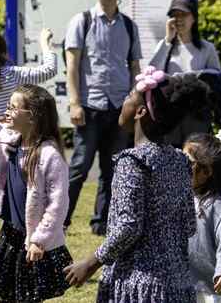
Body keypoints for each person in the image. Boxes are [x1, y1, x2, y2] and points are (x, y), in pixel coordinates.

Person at [64, 67, 211, 302]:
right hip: (177, 284)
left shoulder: (132, 162)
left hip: (137, 286)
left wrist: (90, 263)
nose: (123, 103)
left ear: (140, 111)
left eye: (128, 97)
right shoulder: (180, 160)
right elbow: (189, 224)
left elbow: (128, 226)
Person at [0, 28, 57, 280]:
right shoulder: (13, 75)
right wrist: (45, 44)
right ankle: (33, 252)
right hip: (23, 147)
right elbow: (49, 70)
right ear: (4, 51)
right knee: (32, 201)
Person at [64, 0, 142, 235]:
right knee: (79, 167)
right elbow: (72, 66)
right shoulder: (81, 21)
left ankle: (102, 223)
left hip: (119, 107)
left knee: (113, 170)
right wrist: (74, 103)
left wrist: (136, 101)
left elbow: (134, 67)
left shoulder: (130, 26)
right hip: (90, 107)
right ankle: (61, 220)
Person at [0, 84, 72, 303]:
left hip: (33, 240)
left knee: (28, 298)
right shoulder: (9, 142)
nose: (7, 112)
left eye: (13, 108)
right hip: (12, 234)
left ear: (32, 116)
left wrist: (39, 240)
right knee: (8, 296)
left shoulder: (49, 155)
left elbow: (57, 205)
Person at [183, 132, 221, 303]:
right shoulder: (178, 196)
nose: (180, 165)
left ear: (206, 171)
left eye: (187, 162)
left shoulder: (216, 206)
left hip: (207, 288)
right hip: (179, 282)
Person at [149, 0, 221, 73]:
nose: (179, 19)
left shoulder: (207, 48)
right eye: (174, 15)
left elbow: (217, 78)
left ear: (194, 18)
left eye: (183, 14)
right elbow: (152, 73)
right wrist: (168, 40)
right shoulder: (164, 45)